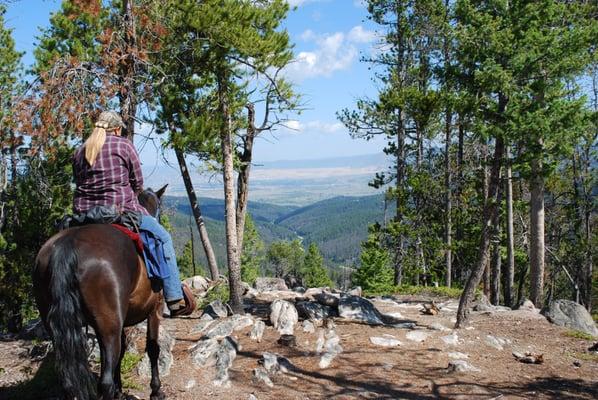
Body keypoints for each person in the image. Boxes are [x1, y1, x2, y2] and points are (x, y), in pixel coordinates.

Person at [73, 110, 192, 317]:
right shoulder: (123, 145)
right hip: (120, 211)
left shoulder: (80, 150)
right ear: (117, 128)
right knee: (163, 237)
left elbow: (79, 182)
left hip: (85, 215)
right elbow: (138, 184)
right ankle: (174, 297)